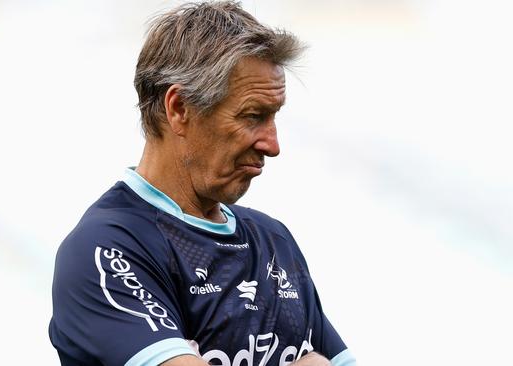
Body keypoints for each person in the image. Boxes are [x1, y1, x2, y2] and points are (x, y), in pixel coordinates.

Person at [49, 2, 356, 365]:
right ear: (179, 108)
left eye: (274, 117)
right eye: (253, 116)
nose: (272, 146)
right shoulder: (108, 248)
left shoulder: (273, 241)